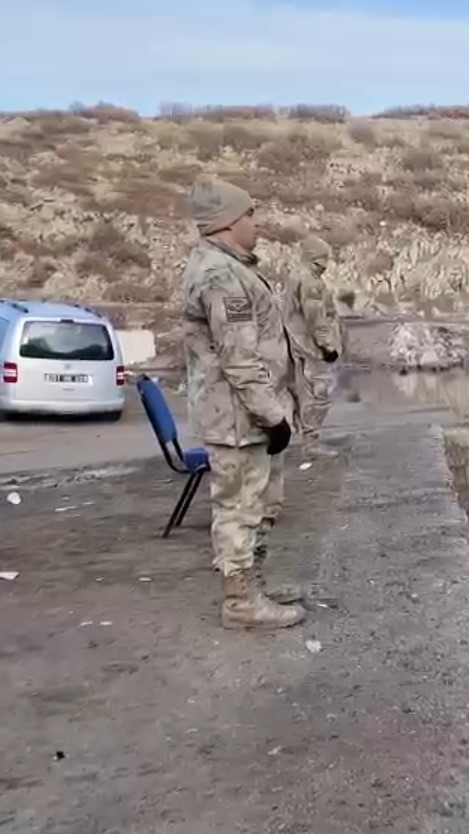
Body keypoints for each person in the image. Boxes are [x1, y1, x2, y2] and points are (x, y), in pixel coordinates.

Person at [181, 177, 304, 631]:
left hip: (248, 415)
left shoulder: (233, 267)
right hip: (238, 418)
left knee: (262, 503)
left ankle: (255, 586)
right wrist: (271, 416)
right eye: (250, 214)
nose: (257, 222)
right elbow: (239, 358)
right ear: (228, 222)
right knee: (239, 508)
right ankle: (240, 602)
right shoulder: (221, 276)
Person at [284, 235, 343, 458]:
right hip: (310, 347)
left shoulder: (295, 276)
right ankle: (311, 443)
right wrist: (327, 345)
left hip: (298, 343)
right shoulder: (310, 281)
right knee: (317, 395)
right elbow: (315, 317)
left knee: (303, 393)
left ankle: (306, 439)